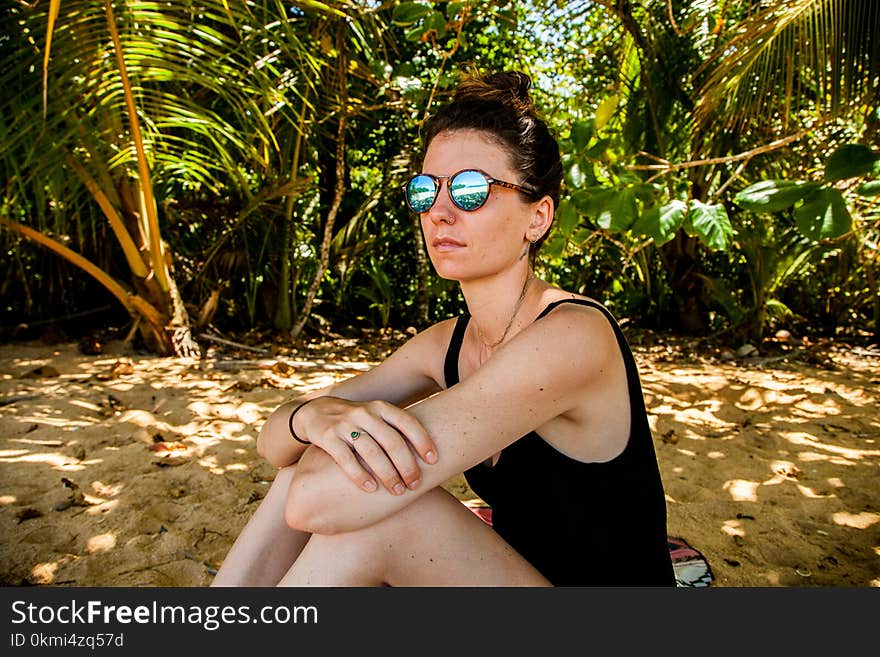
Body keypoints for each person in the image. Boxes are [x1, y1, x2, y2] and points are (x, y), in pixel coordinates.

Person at [211, 70, 676, 587]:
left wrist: (331, 434)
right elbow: (273, 445)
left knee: (382, 517)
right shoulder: (448, 342)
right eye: (424, 190)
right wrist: (312, 419)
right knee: (312, 458)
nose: (439, 211)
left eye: (472, 189)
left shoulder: (574, 336)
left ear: (538, 218)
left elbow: (318, 503)